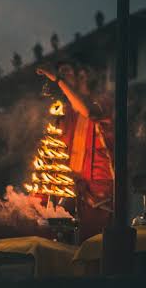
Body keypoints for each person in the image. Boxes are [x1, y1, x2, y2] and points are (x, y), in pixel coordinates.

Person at [36, 62, 114, 242]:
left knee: (93, 244)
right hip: (72, 188)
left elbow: (87, 110)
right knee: (55, 231)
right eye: (61, 72)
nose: (62, 77)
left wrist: (58, 79)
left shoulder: (103, 103)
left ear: (84, 76)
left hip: (98, 193)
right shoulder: (68, 111)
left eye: (66, 72)